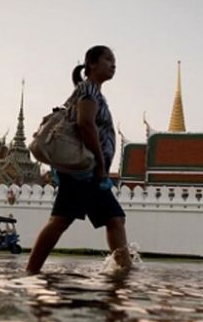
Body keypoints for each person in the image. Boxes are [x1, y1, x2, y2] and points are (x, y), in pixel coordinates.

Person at [26, 45, 132, 273]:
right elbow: (86, 124)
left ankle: (124, 271)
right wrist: (102, 165)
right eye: (108, 59)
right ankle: (31, 271)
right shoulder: (89, 91)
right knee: (61, 221)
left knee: (115, 219)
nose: (113, 64)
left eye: (114, 60)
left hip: (90, 172)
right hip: (85, 170)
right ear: (92, 64)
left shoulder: (93, 92)